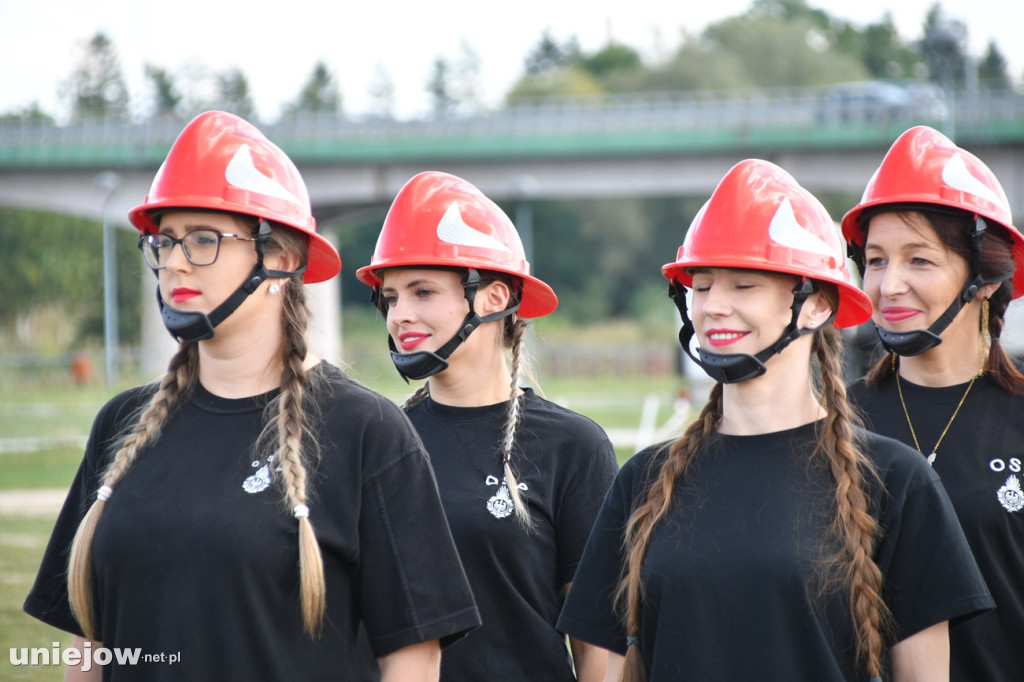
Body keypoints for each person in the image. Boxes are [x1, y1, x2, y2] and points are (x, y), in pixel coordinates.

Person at [23, 111, 480, 681]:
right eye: (164, 241)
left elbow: (413, 659)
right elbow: (89, 649)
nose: (175, 261)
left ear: (281, 260)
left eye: (205, 240)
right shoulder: (120, 423)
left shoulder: (365, 430)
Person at [557, 158, 993, 681]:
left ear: (814, 307)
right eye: (702, 285)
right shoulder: (645, 480)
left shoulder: (895, 479)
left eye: (744, 286)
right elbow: (602, 664)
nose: (714, 306)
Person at [355, 170, 619, 682]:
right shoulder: (376, 440)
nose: (399, 315)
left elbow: (598, 649)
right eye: (390, 297)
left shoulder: (572, 447)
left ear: (494, 298)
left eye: (423, 292)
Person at [841, 125, 1024, 682]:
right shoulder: (831, 425)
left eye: (919, 260)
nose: (889, 284)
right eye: (875, 261)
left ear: (987, 278)